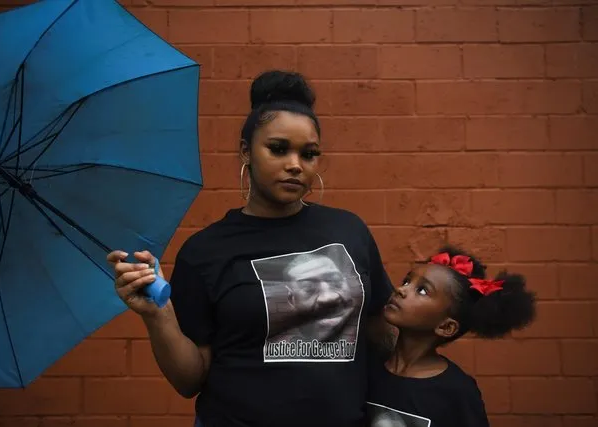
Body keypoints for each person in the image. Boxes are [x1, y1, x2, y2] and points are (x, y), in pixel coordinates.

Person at [107, 70, 393, 427]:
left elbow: (384, 333)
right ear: (246, 151)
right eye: (277, 149)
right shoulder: (205, 252)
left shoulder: (349, 231)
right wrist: (157, 316)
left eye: (309, 154)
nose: (294, 165)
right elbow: (189, 380)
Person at [366, 245, 537, 427]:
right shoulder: (368, 366)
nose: (401, 289)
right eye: (407, 281)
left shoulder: (457, 391)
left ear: (446, 326)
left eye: (422, 290)